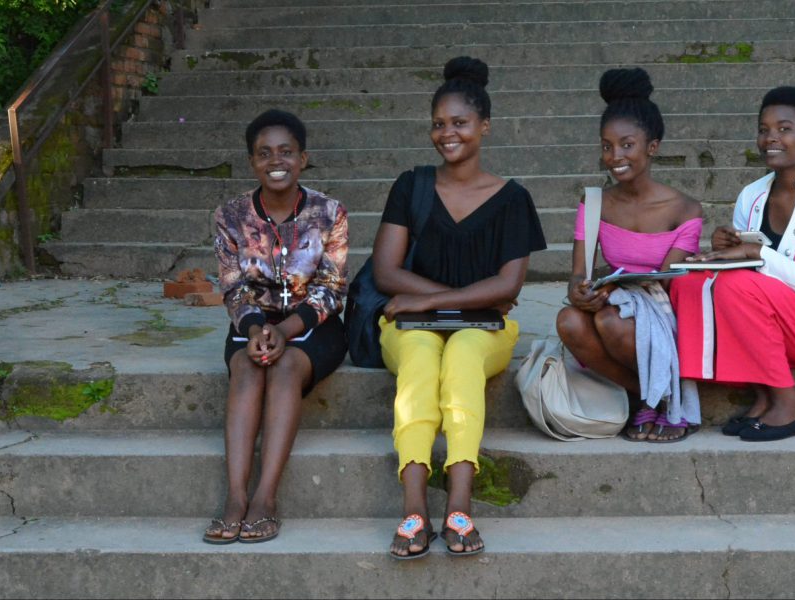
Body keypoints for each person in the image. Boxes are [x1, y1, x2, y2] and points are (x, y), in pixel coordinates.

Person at [372, 57, 546, 559]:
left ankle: (459, 504)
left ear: (485, 127)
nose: (447, 134)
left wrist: (429, 298)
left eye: (460, 123)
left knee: (464, 357)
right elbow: (385, 272)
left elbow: (508, 286)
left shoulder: (513, 199)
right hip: (409, 324)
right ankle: (413, 509)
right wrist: (443, 301)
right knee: (423, 360)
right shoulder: (412, 185)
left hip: (484, 327)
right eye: (438, 124)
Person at [671, 86, 795, 442]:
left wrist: (758, 255)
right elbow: (744, 277)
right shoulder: (752, 194)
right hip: (783, 321)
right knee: (691, 281)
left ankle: (789, 403)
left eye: (783, 129)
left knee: (739, 285)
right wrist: (723, 251)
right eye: (764, 129)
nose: (770, 138)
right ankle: (763, 397)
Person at [203, 109, 349, 543]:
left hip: (314, 322)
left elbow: (332, 288)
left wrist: (285, 331)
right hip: (251, 322)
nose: (275, 160)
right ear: (252, 162)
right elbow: (232, 287)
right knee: (247, 369)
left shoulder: (329, 212)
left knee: (284, 368)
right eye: (264, 153)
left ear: (303, 158)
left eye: (286, 151)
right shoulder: (230, 216)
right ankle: (234, 498)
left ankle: (265, 498)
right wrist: (253, 329)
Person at [555, 67, 704, 442]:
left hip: (659, 314)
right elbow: (579, 273)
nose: (614, 156)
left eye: (626, 145)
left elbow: (669, 281)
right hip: (610, 303)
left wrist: (618, 288)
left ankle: (666, 396)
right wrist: (580, 291)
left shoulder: (684, 209)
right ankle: (644, 397)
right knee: (569, 320)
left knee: (611, 321)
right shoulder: (594, 203)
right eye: (607, 146)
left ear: (651, 147)